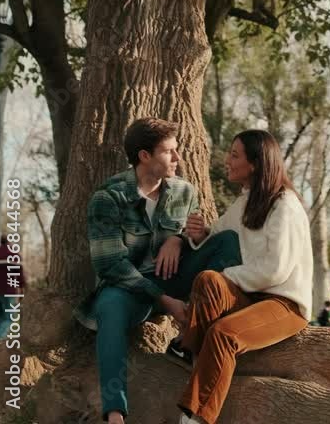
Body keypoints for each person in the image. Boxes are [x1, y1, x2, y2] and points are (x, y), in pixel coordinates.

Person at [74, 117, 243, 424]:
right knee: (109, 308)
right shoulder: (107, 198)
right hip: (128, 288)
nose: (178, 158)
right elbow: (110, 265)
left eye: (176, 150)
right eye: (169, 152)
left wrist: (182, 240)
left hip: (174, 277)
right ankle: (115, 413)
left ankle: (190, 340)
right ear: (144, 156)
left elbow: (196, 238)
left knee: (228, 241)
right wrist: (164, 301)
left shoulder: (184, 192)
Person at [174, 129, 313, 424]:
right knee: (208, 280)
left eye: (235, 155)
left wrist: (229, 275)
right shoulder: (245, 203)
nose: (228, 160)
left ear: (255, 163)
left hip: (284, 305)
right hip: (252, 296)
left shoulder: (285, 206)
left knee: (223, 333)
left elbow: (275, 270)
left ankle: (194, 418)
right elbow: (220, 230)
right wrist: (201, 233)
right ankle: (190, 349)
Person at [0, 235, 25, 339]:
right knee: (9, 317)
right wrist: (22, 289)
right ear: (9, 243)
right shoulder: (14, 257)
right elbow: (20, 276)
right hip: (8, 291)